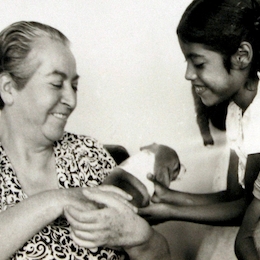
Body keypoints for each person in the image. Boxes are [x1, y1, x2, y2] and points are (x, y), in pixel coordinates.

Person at [0, 21, 170, 260]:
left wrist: (142, 239)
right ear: (8, 88)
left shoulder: (87, 153)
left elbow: (160, 255)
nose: (71, 100)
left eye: (74, 86)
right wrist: (58, 199)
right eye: (56, 84)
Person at [138, 0, 260, 258]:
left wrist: (172, 210)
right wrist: (170, 196)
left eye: (198, 63)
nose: (188, 75)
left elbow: (247, 207)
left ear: (242, 56)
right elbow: (233, 196)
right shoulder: (237, 110)